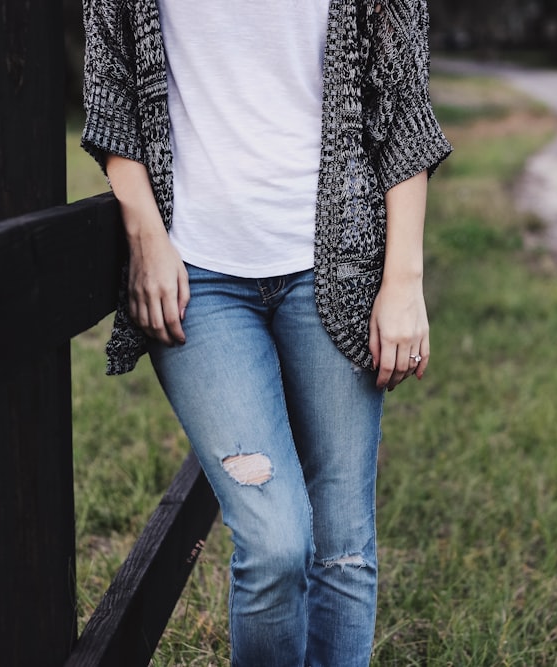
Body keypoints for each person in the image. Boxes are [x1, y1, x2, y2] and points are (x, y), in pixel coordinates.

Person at [81, 0, 450, 664]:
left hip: (335, 267)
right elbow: (111, 92)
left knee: (343, 549)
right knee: (276, 542)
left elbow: (402, 112)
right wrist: (144, 232)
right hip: (198, 280)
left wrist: (404, 278)